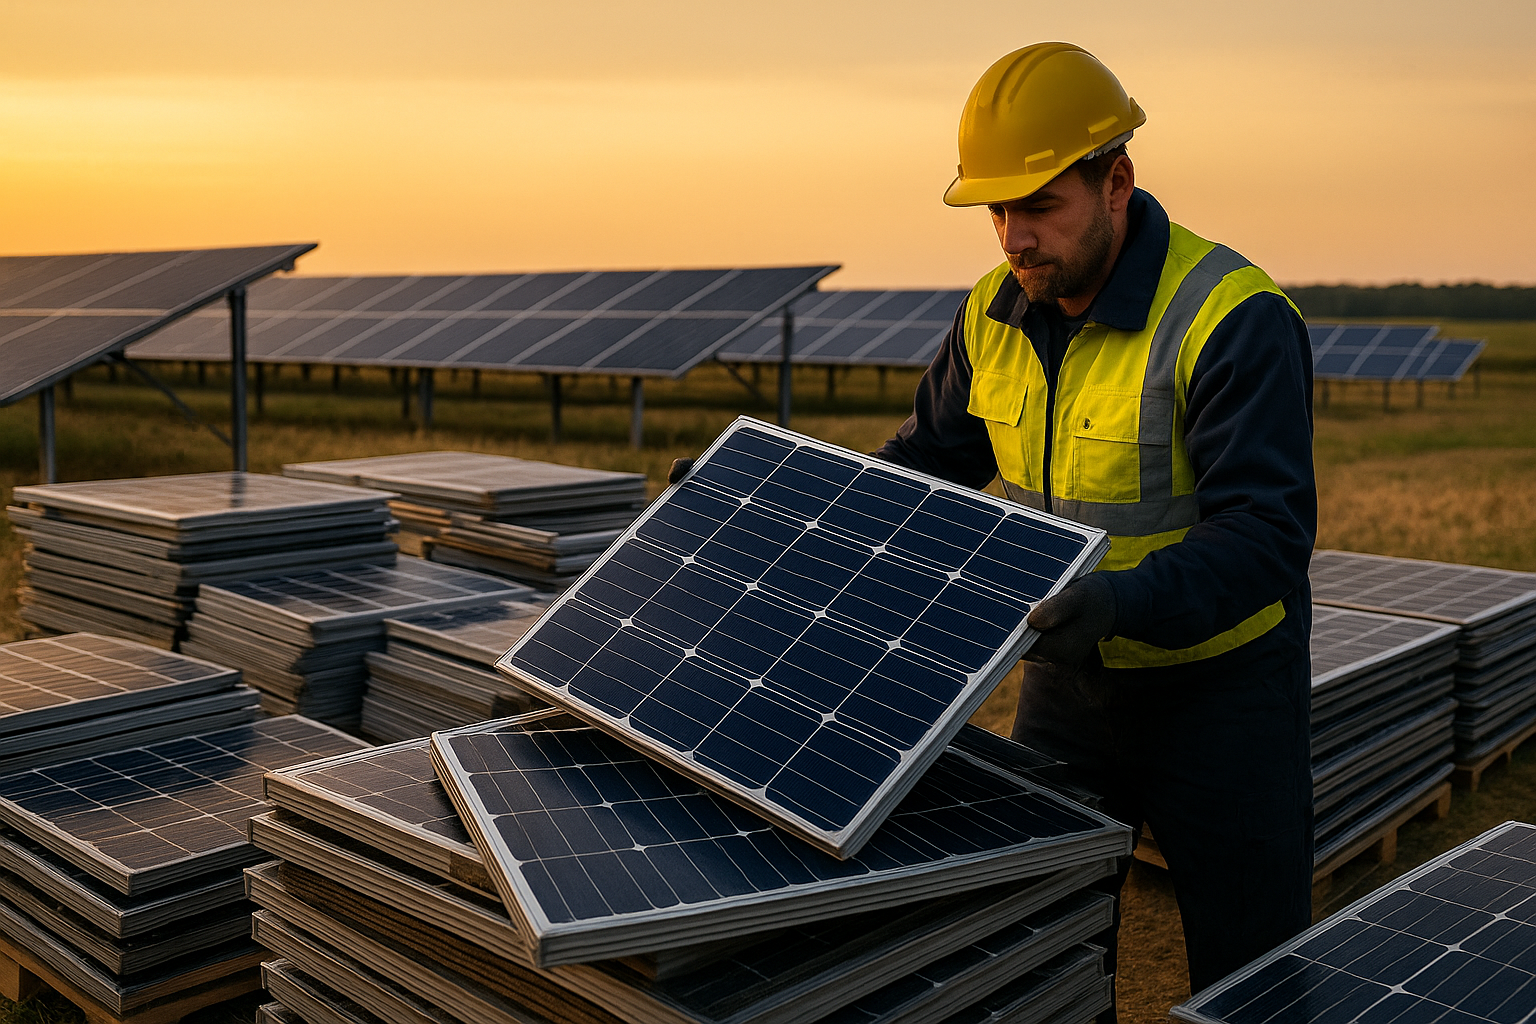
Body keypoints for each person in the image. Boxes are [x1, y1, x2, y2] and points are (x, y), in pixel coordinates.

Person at [872, 42, 1318, 1017]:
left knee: (1254, 978)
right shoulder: (993, 315)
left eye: (1039, 206)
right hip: (1068, 691)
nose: (1012, 239)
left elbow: (1266, 536)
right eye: (996, 210)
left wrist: (1118, 600)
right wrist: (775, 503)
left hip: (1224, 701)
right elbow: (926, 462)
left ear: (1117, 180)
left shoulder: (1230, 316)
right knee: (1052, 955)